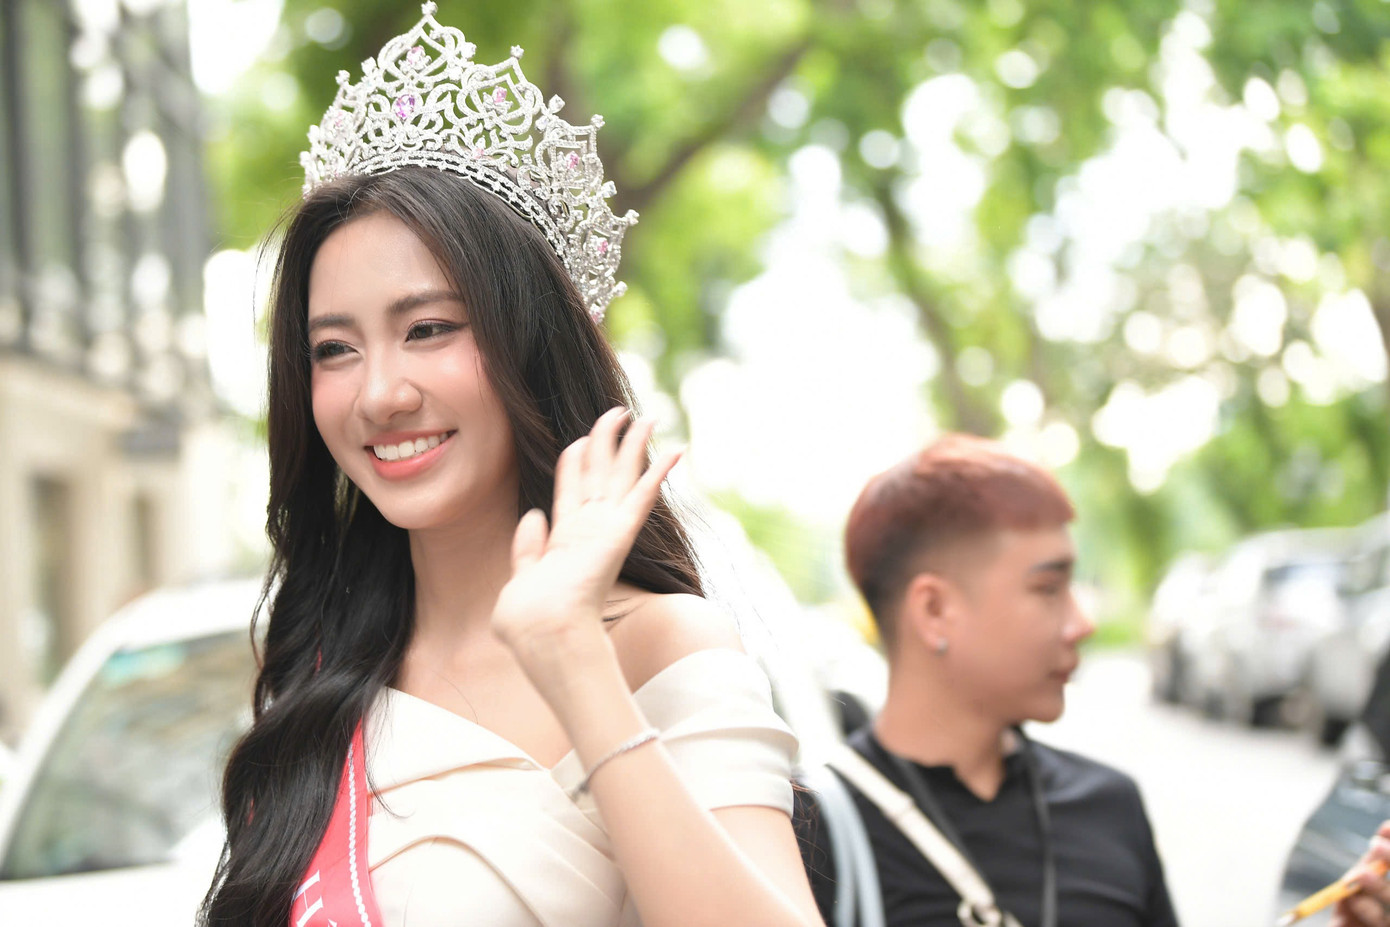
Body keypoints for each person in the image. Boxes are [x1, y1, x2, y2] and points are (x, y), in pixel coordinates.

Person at [199, 6, 822, 927]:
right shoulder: (319, 678)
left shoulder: (657, 645)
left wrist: (572, 659)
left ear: (530, 345)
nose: (380, 393)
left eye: (428, 329)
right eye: (334, 349)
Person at [797, 434, 1179, 927]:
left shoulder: (1109, 805)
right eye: (1049, 588)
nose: (1083, 624)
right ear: (935, 610)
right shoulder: (807, 837)